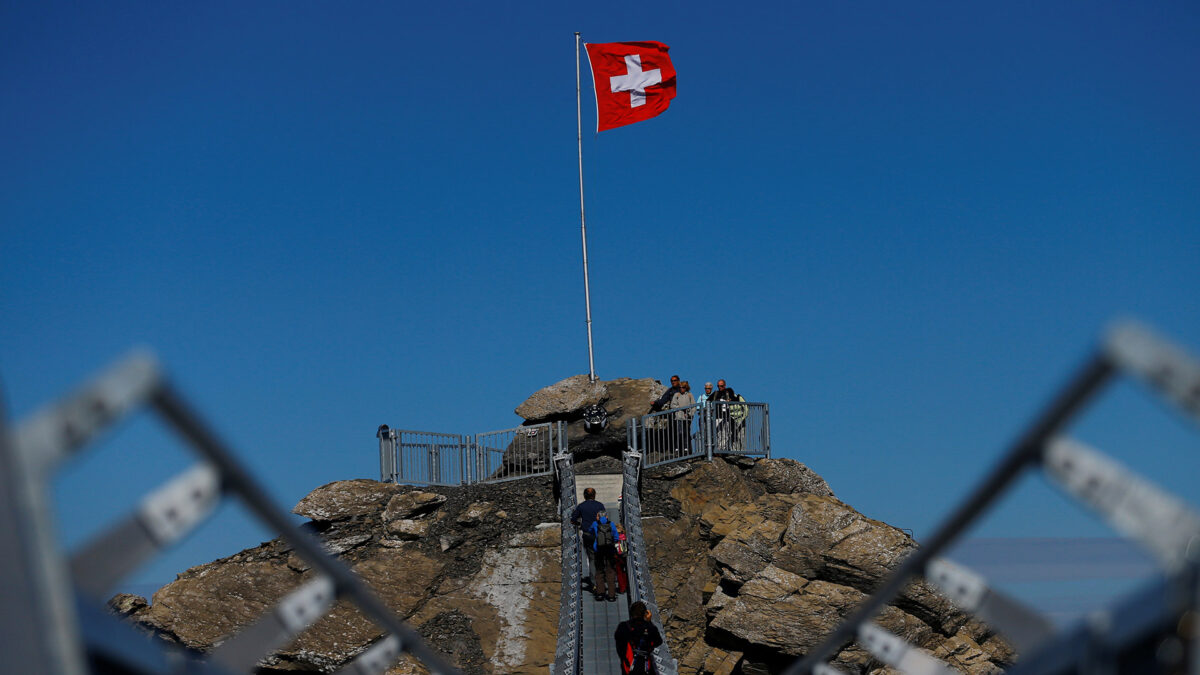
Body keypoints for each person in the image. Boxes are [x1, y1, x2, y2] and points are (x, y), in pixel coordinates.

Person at [615, 600, 664, 675]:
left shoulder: (623, 626)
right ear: (645, 614)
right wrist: (649, 622)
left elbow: (619, 642)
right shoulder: (650, 628)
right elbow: (658, 641)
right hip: (644, 666)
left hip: (628, 665)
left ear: (631, 613)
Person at [571, 487, 605, 588]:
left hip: (586, 534)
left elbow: (573, 520)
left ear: (584, 496)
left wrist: (579, 523)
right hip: (599, 533)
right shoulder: (600, 505)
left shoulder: (581, 506)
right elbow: (604, 520)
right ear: (594, 495)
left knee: (591, 557)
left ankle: (594, 581)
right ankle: (601, 578)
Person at [589, 510, 620, 601]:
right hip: (609, 551)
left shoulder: (595, 524)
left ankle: (600, 593)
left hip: (599, 551)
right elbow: (616, 537)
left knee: (599, 572)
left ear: (598, 516)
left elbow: (590, 531)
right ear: (606, 517)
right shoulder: (611, 524)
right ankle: (611, 595)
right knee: (610, 572)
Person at [671, 381, 695, 453]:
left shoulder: (690, 395)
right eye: (680, 387)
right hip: (678, 416)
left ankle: (686, 448)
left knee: (686, 432)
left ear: (686, 388)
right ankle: (677, 448)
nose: (681, 389)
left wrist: (689, 413)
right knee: (679, 432)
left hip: (687, 417)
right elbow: (672, 405)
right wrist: (680, 408)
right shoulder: (677, 395)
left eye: (683, 387)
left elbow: (693, 406)